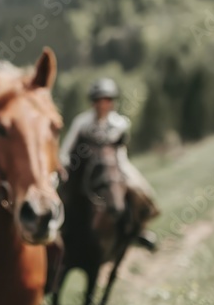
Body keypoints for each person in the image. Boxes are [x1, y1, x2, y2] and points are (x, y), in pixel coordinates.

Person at [59, 78, 160, 250]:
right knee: (59, 191)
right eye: (98, 100)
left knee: (141, 190)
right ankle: (56, 229)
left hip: (117, 165)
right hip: (84, 169)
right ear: (92, 103)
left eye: (106, 100)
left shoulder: (120, 124)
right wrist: (66, 167)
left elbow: (121, 152)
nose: (102, 105)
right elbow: (65, 150)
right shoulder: (81, 123)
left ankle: (138, 229)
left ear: (112, 103)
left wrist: (121, 172)